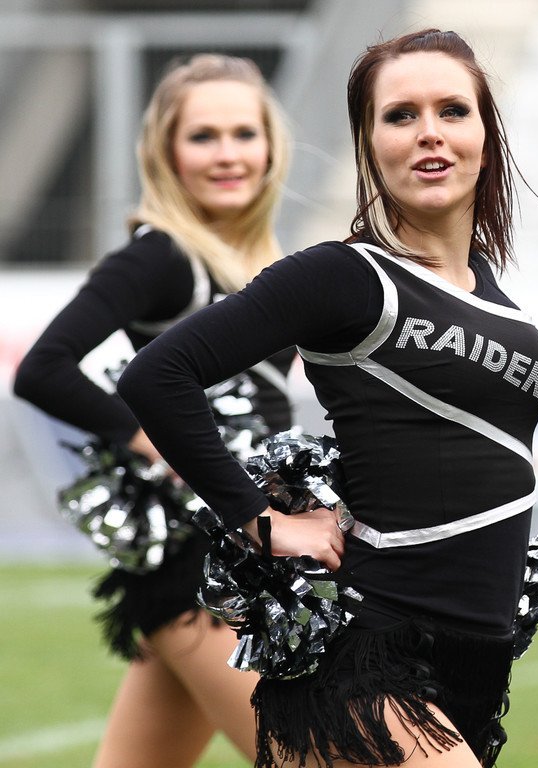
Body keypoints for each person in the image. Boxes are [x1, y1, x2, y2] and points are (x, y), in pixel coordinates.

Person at [118, 29, 538, 768]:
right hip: (372, 665)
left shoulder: (497, 298)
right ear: (369, 143)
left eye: (452, 110)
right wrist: (259, 521)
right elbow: (157, 376)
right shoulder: (344, 277)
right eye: (400, 115)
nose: (429, 133)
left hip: (474, 670)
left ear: (486, 134)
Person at [13, 53, 293, 768]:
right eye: (203, 136)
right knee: (309, 756)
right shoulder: (162, 256)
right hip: (196, 556)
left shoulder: (260, 261)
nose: (228, 154)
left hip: (239, 549)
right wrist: (152, 441)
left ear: (271, 147)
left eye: (244, 133)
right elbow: (44, 369)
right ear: (166, 153)